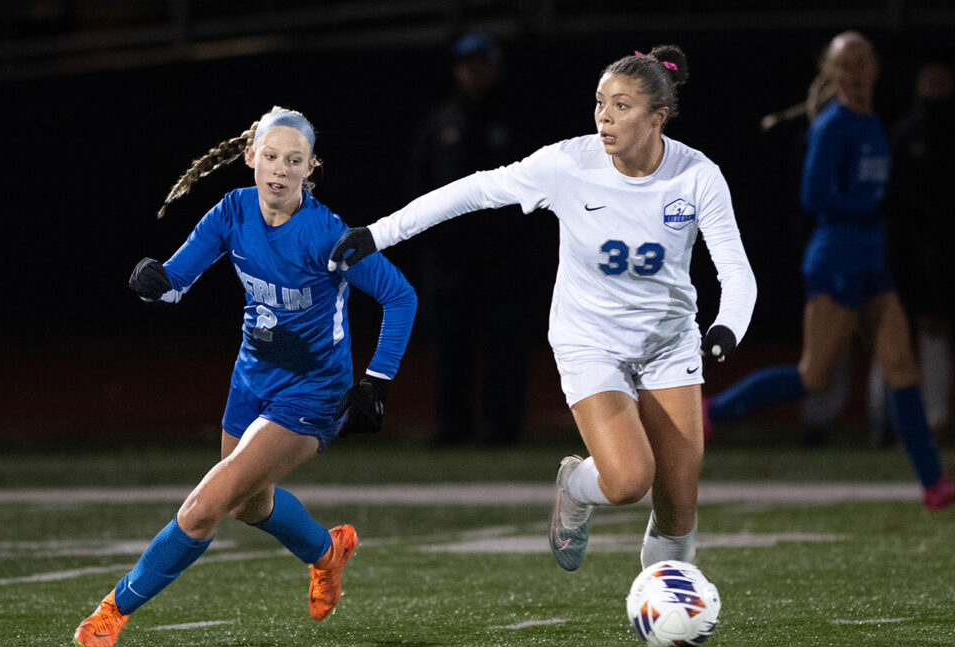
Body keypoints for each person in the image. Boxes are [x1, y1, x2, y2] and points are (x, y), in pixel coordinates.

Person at [329, 45, 757, 572]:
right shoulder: (567, 164)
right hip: (590, 341)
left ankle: (666, 618)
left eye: (622, 105)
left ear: (658, 116)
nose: (604, 116)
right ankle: (575, 485)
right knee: (627, 482)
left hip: (669, 345)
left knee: (677, 507)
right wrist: (378, 233)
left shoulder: (698, 176)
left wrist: (726, 327)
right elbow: (472, 191)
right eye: (600, 102)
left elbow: (735, 270)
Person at [73, 107, 417, 647]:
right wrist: (152, 282)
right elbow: (175, 283)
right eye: (272, 156)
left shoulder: (327, 235)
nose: (280, 170)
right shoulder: (232, 210)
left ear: (311, 168)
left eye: (294, 160)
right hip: (250, 378)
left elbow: (401, 296)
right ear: (251, 156)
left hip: (313, 392)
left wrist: (375, 382)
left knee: (202, 508)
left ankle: (114, 609)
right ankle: (327, 552)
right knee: (247, 505)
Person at [705, 32, 955, 510]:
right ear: (833, 71)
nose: (858, 70)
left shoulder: (872, 122)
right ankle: (712, 411)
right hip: (836, 258)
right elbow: (813, 196)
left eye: (865, 60)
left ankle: (932, 486)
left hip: (870, 262)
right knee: (814, 375)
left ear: (876, 69)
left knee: (903, 369)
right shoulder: (834, 123)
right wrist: (869, 204)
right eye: (848, 62)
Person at [408, 31, 534, 445]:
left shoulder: (518, 119)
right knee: (450, 350)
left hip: (504, 258)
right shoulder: (441, 120)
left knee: (505, 349)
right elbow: (421, 183)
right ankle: (452, 425)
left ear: (495, 67)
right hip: (449, 259)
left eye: (480, 64)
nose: (472, 72)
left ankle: (502, 428)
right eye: (465, 64)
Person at [883, 60, 955, 438]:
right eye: (928, 77)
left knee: (934, 330)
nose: (936, 85)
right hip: (907, 246)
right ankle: (888, 423)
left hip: (944, 247)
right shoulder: (905, 132)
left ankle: (936, 419)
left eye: (942, 78)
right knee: (893, 327)